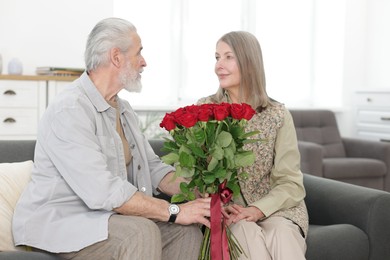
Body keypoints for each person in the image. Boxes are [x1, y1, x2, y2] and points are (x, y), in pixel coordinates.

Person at [12, 17, 211, 260]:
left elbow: (152, 167)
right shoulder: (70, 111)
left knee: (185, 232)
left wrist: (196, 192)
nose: (144, 62)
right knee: (140, 231)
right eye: (139, 53)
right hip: (62, 226)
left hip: (105, 222)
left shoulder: (123, 109)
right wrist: (174, 210)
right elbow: (103, 191)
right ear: (116, 57)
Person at [197, 31, 309, 260]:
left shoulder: (277, 114)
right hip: (231, 212)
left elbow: (290, 182)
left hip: (278, 208)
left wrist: (259, 209)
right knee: (246, 233)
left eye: (228, 57)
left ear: (249, 61)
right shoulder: (205, 109)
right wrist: (215, 204)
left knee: (282, 233)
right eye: (217, 57)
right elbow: (198, 174)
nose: (219, 65)